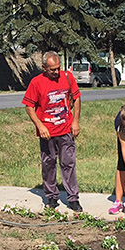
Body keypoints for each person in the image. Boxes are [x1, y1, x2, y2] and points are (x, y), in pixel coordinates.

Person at [22, 52, 82, 211]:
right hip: (47, 132)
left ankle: (73, 198)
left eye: (58, 68)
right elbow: (29, 106)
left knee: (68, 163)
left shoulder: (67, 77)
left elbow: (76, 98)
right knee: (48, 164)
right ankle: (51, 196)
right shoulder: (37, 83)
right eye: (52, 70)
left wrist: (75, 121)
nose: (56, 72)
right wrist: (40, 126)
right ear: (44, 68)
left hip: (66, 129)